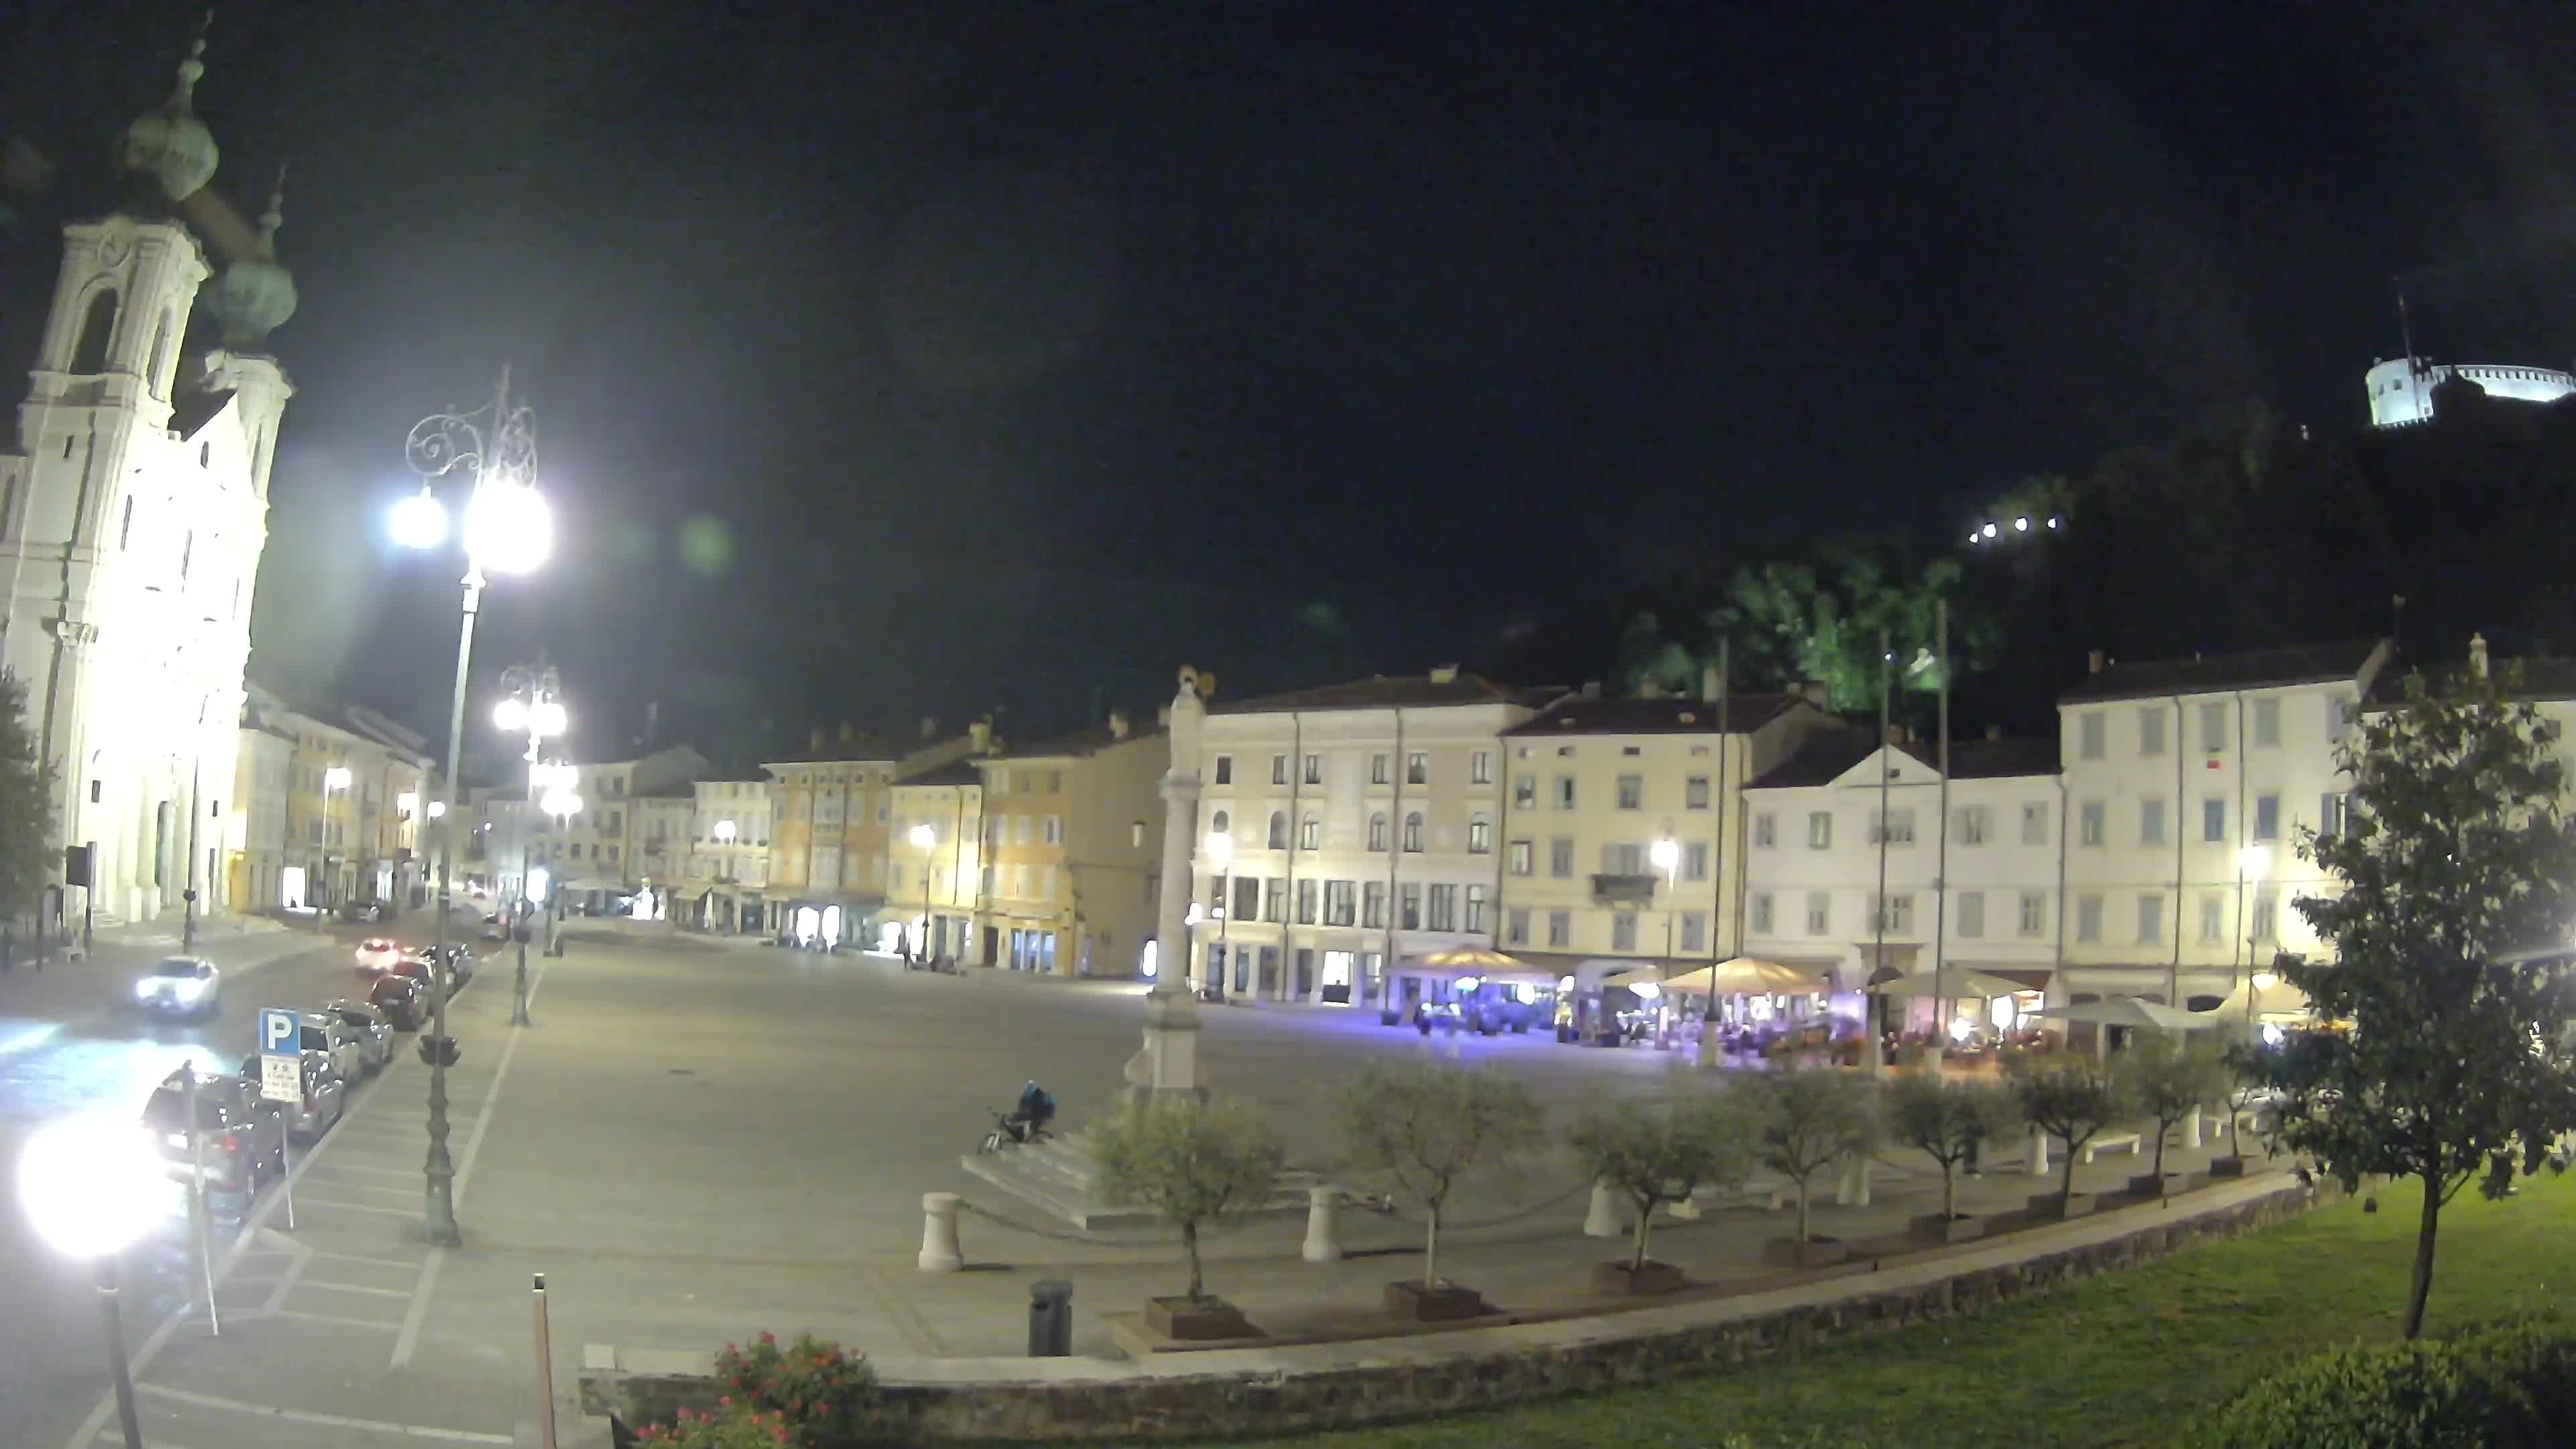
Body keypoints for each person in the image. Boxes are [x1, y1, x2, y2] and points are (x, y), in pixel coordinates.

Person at [1008, 1080, 1056, 1144]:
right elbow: (1022, 1104)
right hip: (1036, 1113)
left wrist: (1024, 1112)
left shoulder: (1037, 1096)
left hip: (1040, 1115)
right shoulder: (1030, 1094)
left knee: (1029, 1124)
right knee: (1022, 1122)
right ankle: (1034, 1138)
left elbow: (1036, 1107)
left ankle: (1033, 1139)